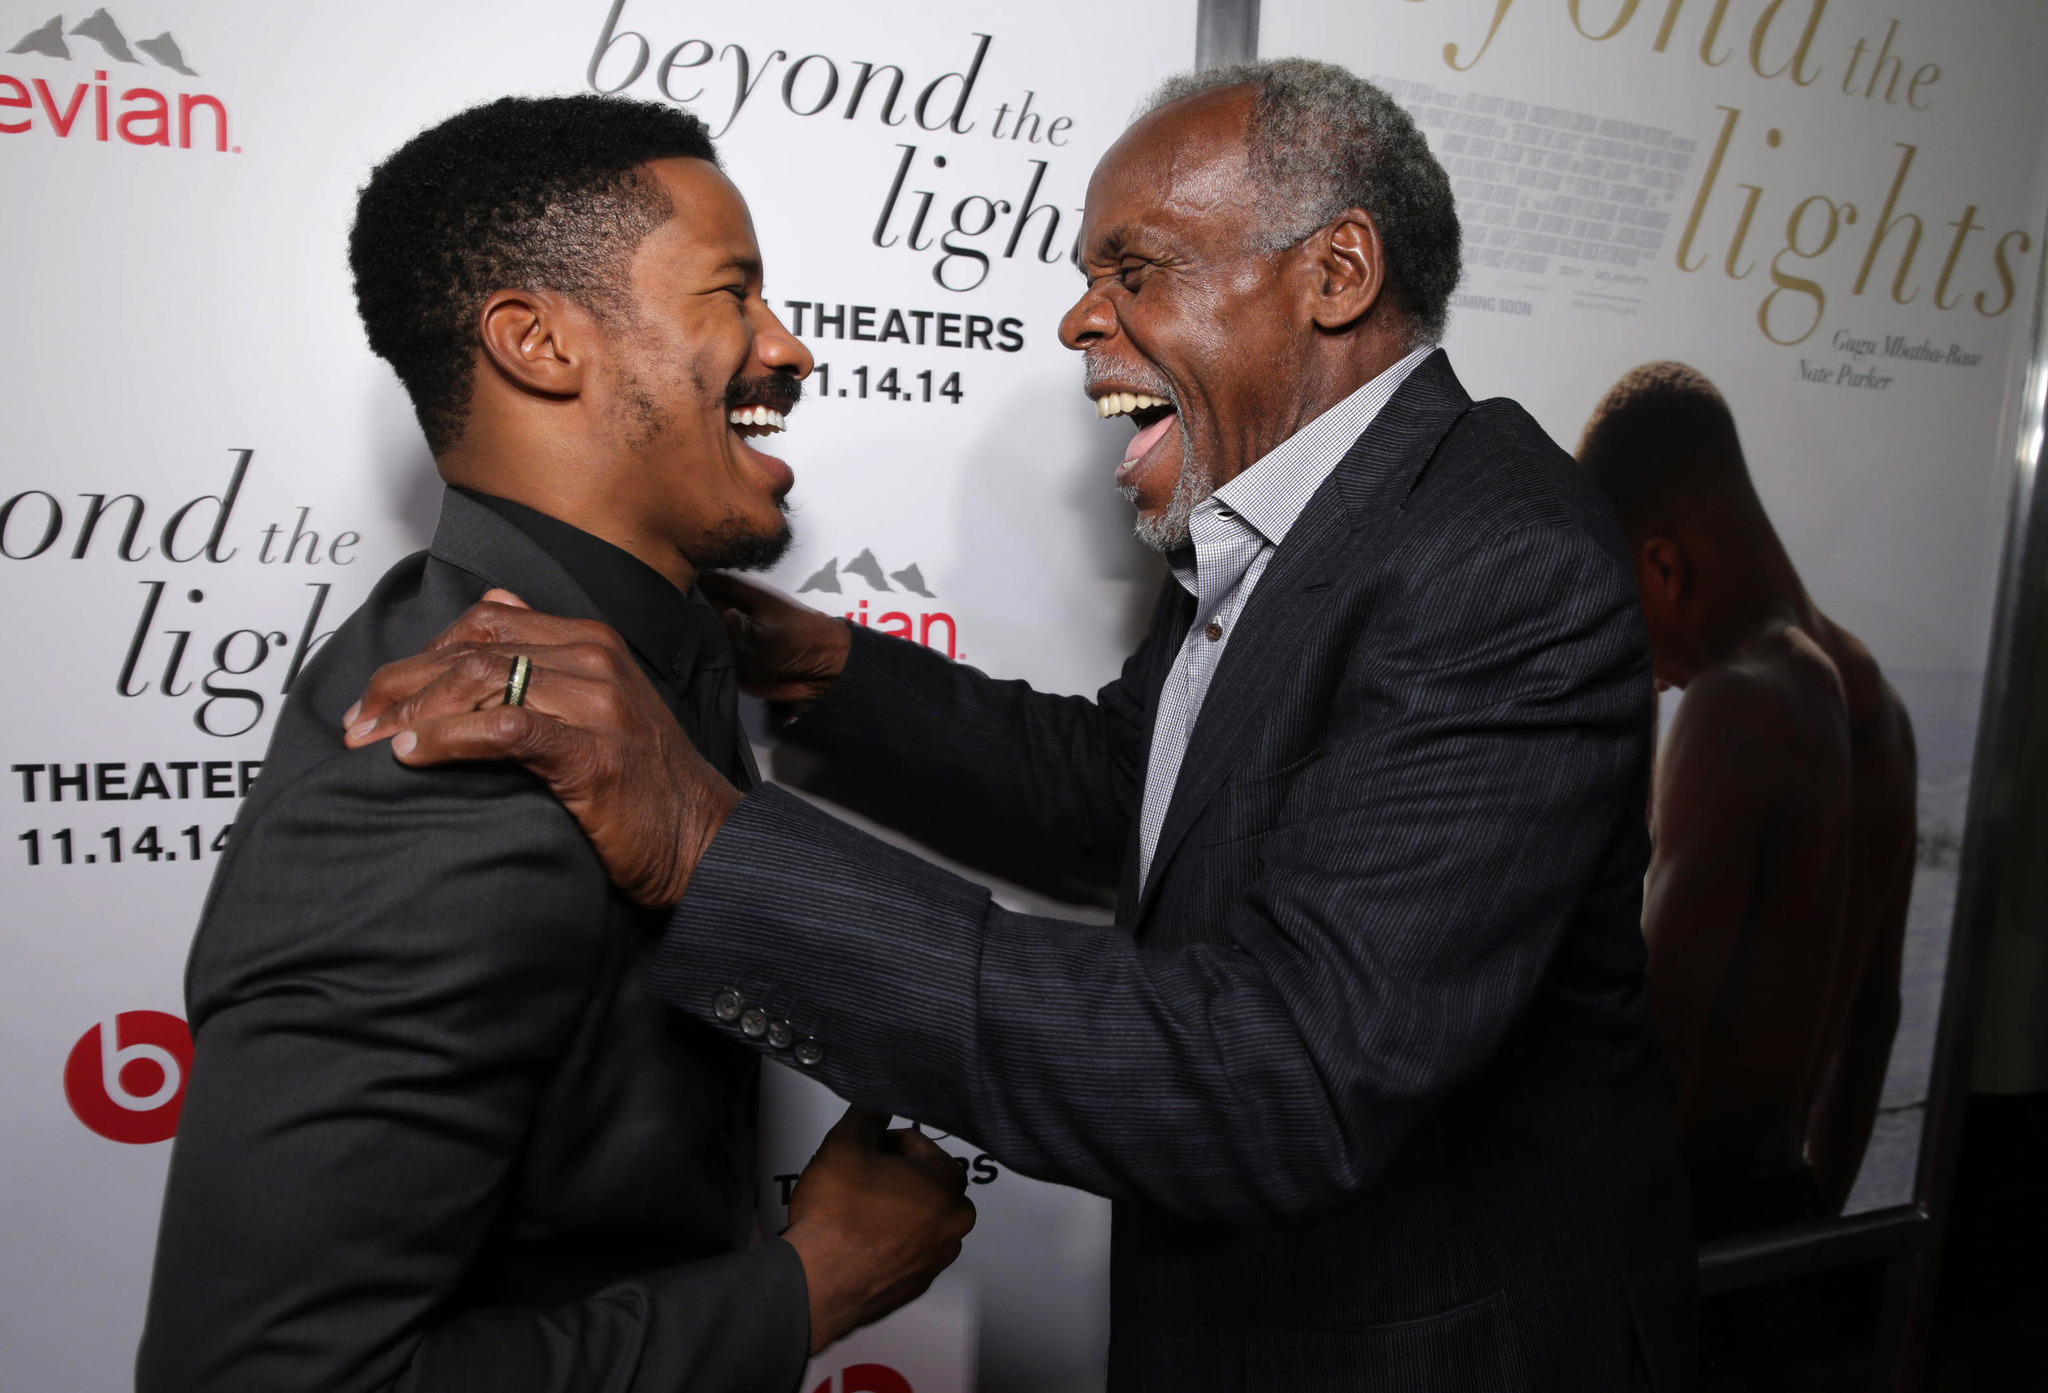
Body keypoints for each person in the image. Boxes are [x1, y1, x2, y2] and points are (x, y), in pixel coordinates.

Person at [345, 62, 1695, 1391]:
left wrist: (712, 844)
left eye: (1135, 270)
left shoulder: (1494, 556)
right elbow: (1136, 786)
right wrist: (824, 663)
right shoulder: (1274, 520)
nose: (1077, 321)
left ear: (1335, 274)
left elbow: (1285, 1072)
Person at [136, 96, 974, 1393]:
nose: (790, 348)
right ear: (537, 343)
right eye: (734, 295)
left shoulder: (643, 659)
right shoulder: (461, 754)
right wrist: (802, 1290)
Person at [1577, 362, 1918, 1237]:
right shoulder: (1880, 709)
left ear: (1663, 565)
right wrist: (1811, 1238)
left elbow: (1661, 1032)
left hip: (1687, 1224)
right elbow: (1875, 1019)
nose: (1645, 680)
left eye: (1624, 615)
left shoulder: (1741, 699)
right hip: (1788, 1208)